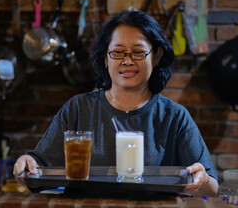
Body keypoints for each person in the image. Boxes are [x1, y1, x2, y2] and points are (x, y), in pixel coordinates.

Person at [13, 10, 219, 196]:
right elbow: (38, 171)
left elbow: (212, 188)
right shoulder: (78, 109)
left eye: (138, 52)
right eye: (118, 52)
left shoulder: (173, 116)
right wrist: (27, 164)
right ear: (105, 58)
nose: (127, 61)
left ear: (156, 56)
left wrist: (201, 180)